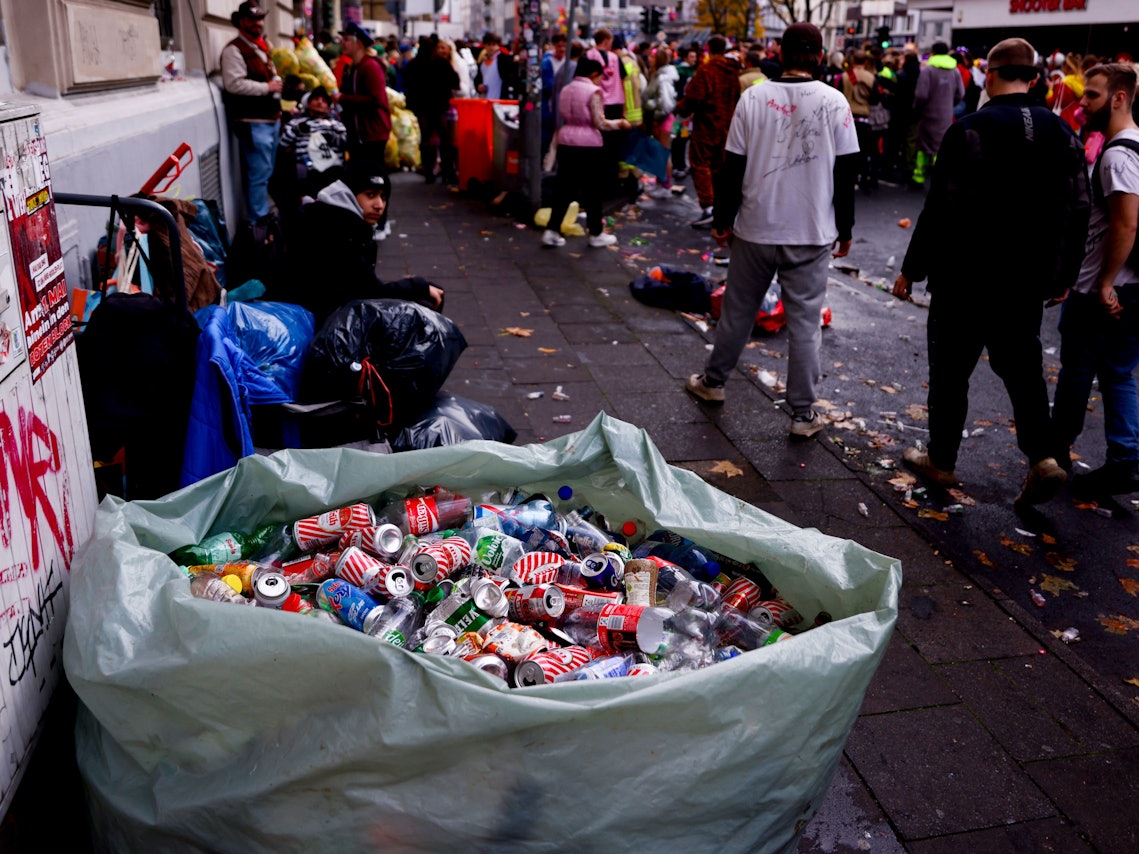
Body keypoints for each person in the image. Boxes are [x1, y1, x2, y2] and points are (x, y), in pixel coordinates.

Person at [892, 38, 1091, 508]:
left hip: (964, 276)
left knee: (950, 370)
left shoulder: (970, 130)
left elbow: (940, 208)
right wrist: (1064, 273)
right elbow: (1078, 208)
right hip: (1025, 278)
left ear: (989, 75)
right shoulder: (1063, 134)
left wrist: (912, 269)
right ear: (1036, 78)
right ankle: (1042, 456)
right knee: (1023, 369)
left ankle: (941, 458)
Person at [685, 23, 859, 440]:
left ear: (780, 53)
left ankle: (713, 383)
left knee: (739, 311)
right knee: (804, 322)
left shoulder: (754, 97)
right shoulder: (835, 102)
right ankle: (802, 414)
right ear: (819, 56)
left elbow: (732, 167)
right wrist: (846, 228)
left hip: (756, 226)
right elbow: (847, 172)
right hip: (812, 230)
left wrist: (723, 220)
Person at [1052, 63, 1139, 495]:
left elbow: (1126, 224)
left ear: (1119, 98)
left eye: (1092, 95)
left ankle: (1054, 454)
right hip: (1133, 286)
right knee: (1119, 372)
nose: (1082, 103)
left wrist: (1104, 281)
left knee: (1077, 370)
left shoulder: (1119, 154)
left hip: (1105, 289)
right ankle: (1124, 459)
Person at [279, 160, 444, 326]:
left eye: (383, 197)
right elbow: (371, 292)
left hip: (328, 313)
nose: (379, 205)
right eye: (370, 195)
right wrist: (419, 286)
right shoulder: (338, 228)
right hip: (319, 323)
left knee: (425, 297)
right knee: (423, 305)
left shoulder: (340, 220)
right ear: (349, 194)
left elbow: (364, 287)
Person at [540, 58, 631, 250]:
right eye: (599, 76)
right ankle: (596, 233)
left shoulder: (566, 89)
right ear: (593, 74)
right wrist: (621, 124)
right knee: (592, 190)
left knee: (563, 189)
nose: (600, 81)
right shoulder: (593, 91)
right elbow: (600, 123)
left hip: (566, 140)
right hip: (588, 145)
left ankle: (552, 231)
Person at [220, 1, 282, 223]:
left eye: (260, 18)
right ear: (241, 22)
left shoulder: (261, 46)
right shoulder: (234, 49)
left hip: (269, 120)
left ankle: (263, 220)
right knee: (258, 176)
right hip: (253, 122)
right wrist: (268, 87)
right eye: (252, 19)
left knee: (265, 174)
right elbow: (234, 84)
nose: (258, 23)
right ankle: (259, 226)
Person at [676, 35, 741, 228]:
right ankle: (720, 205)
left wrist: (682, 108)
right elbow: (736, 97)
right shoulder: (733, 71)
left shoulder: (707, 70)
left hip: (707, 124)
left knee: (700, 163)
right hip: (726, 125)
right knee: (719, 166)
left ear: (708, 48)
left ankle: (709, 207)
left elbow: (694, 97)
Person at [404, 37, 461, 184]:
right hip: (439, 108)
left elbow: (408, 87)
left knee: (427, 139)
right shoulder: (441, 64)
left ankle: (429, 171)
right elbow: (455, 82)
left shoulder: (413, 65)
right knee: (445, 139)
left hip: (422, 109)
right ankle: (448, 171)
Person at [335, 23, 392, 164]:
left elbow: (375, 99)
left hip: (371, 132)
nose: (343, 43)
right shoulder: (354, 67)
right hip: (360, 132)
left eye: (347, 40)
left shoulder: (370, 66)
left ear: (359, 43)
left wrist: (343, 98)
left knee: (373, 175)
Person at [912, 42, 964, 185]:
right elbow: (961, 93)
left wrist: (917, 108)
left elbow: (921, 95)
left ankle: (918, 176)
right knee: (941, 147)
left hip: (928, 113)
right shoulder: (955, 71)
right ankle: (940, 179)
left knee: (923, 146)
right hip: (945, 114)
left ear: (933, 52)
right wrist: (949, 104)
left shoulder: (928, 70)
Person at [642, 46, 680, 190]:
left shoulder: (662, 77)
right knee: (660, 151)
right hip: (660, 118)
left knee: (663, 151)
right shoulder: (656, 75)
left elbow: (665, 103)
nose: (649, 59)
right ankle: (662, 181)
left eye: (652, 57)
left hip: (663, 119)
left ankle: (665, 184)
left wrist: (651, 108)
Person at [541, 34, 568, 154]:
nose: (561, 49)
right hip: (550, 106)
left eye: (564, 46)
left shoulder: (567, 62)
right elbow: (548, 85)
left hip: (563, 105)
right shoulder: (547, 63)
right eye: (559, 46)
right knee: (546, 137)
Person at [475, 34, 519, 100]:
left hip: (500, 99)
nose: (491, 47)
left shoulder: (503, 59)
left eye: (494, 44)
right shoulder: (482, 63)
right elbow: (478, 79)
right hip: (486, 100)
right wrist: (479, 86)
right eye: (489, 44)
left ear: (498, 46)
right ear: (484, 45)